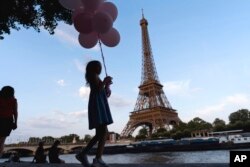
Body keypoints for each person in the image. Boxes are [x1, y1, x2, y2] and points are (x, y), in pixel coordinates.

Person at [75, 60, 113, 167]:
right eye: (98, 66)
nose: (99, 67)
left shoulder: (96, 77)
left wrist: (107, 86)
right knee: (104, 132)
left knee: (100, 134)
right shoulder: (93, 75)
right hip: (97, 106)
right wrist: (105, 82)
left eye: (100, 66)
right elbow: (97, 89)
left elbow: (103, 93)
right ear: (92, 68)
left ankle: (83, 154)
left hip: (98, 105)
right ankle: (97, 158)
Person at [0, 86, 18, 157]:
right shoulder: (13, 100)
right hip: (8, 121)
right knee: (2, 141)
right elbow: (15, 112)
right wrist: (15, 123)